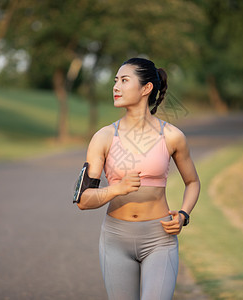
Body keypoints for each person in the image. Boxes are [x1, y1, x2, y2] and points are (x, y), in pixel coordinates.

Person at [76, 57, 200, 300]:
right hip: (115, 240)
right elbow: (83, 200)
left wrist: (184, 215)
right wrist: (117, 189)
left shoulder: (172, 136)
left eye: (124, 80)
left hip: (160, 239)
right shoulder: (103, 137)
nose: (115, 87)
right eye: (115, 81)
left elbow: (192, 182)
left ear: (146, 88)